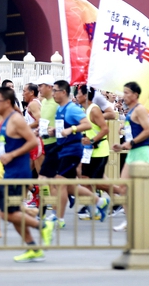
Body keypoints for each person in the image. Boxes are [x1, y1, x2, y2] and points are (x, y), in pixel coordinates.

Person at [0, 86, 54, 262]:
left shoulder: (16, 119)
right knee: (10, 213)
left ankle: (43, 225)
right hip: (9, 171)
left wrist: (12, 155)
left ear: (7, 102)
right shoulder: (4, 121)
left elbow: (33, 141)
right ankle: (33, 248)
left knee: (7, 213)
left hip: (18, 172)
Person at [47, 81, 109, 225]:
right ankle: (101, 202)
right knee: (70, 185)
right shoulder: (60, 109)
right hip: (63, 149)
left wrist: (72, 129)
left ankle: (59, 218)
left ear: (63, 92)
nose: (53, 93)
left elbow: (86, 124)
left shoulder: (72, 108)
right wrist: (54, 131)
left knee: (60, 182)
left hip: (73, 150)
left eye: (55, 90)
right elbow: (63, 128)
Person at [111, 81, 149, 231]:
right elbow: (132, 134)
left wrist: (133, 142)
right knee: (123, 188)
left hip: (142, 152)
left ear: (135, 95)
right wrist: (122, 145)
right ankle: (131, 221)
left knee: (141, 190)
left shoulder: (140, 109)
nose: (124, 95)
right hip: (133, 153)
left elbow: (148, 130)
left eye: (127, 92)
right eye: (124, 92)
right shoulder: (130, 111)